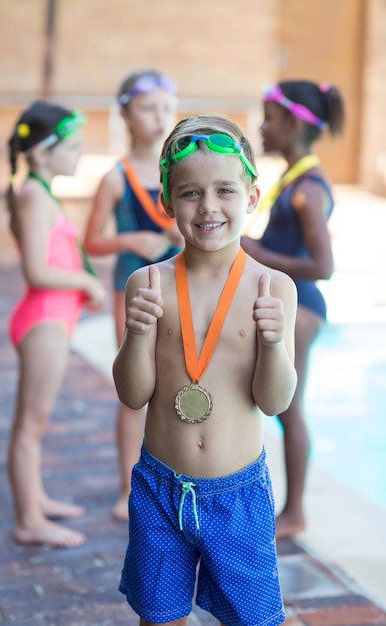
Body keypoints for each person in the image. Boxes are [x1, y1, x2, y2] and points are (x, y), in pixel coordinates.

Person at [113, 114, 297, 626]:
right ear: (167, 201)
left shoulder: (271, 288)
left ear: (253, 196)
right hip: (159, 488)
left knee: (253, 620)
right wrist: (138, 335)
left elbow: (275, 401)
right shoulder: (148, 284)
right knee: (161, 617)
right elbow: (132, 394)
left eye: (224, 190)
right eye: (190, 193)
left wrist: (275, 344)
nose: (208, 206)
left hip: (238, 494)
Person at [241, 80, 345, 539]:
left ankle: (295, 513)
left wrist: (255, 251)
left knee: (289, 410)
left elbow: (322, 265)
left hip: (301, 308)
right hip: (289, 303)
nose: (262, 127)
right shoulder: (295, 180)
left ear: (293, 123)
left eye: (268, 118)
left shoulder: (308, 191)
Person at [6, 101, 107, 548]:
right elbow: (36, 270)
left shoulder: (42, 193)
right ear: (43, 152)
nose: (79, 155)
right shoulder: (32, 197)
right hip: (43, 322)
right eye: (72, 147)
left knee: (37, 423)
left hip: (54, 322)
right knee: (30, 424)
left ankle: (37, 499)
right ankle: (28, 519)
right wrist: (86, 279)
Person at [84, 69, 183, 521]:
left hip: (179, 286)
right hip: (132, 286)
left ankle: (178, 476)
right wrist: (130, 241)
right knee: (134, 390)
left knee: (178, 380)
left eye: (167, 106)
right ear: (125, 114)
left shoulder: (179, 169)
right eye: (148, 108)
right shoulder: (116, 177)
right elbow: (91, 242)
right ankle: (129, 487)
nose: (160, 117)